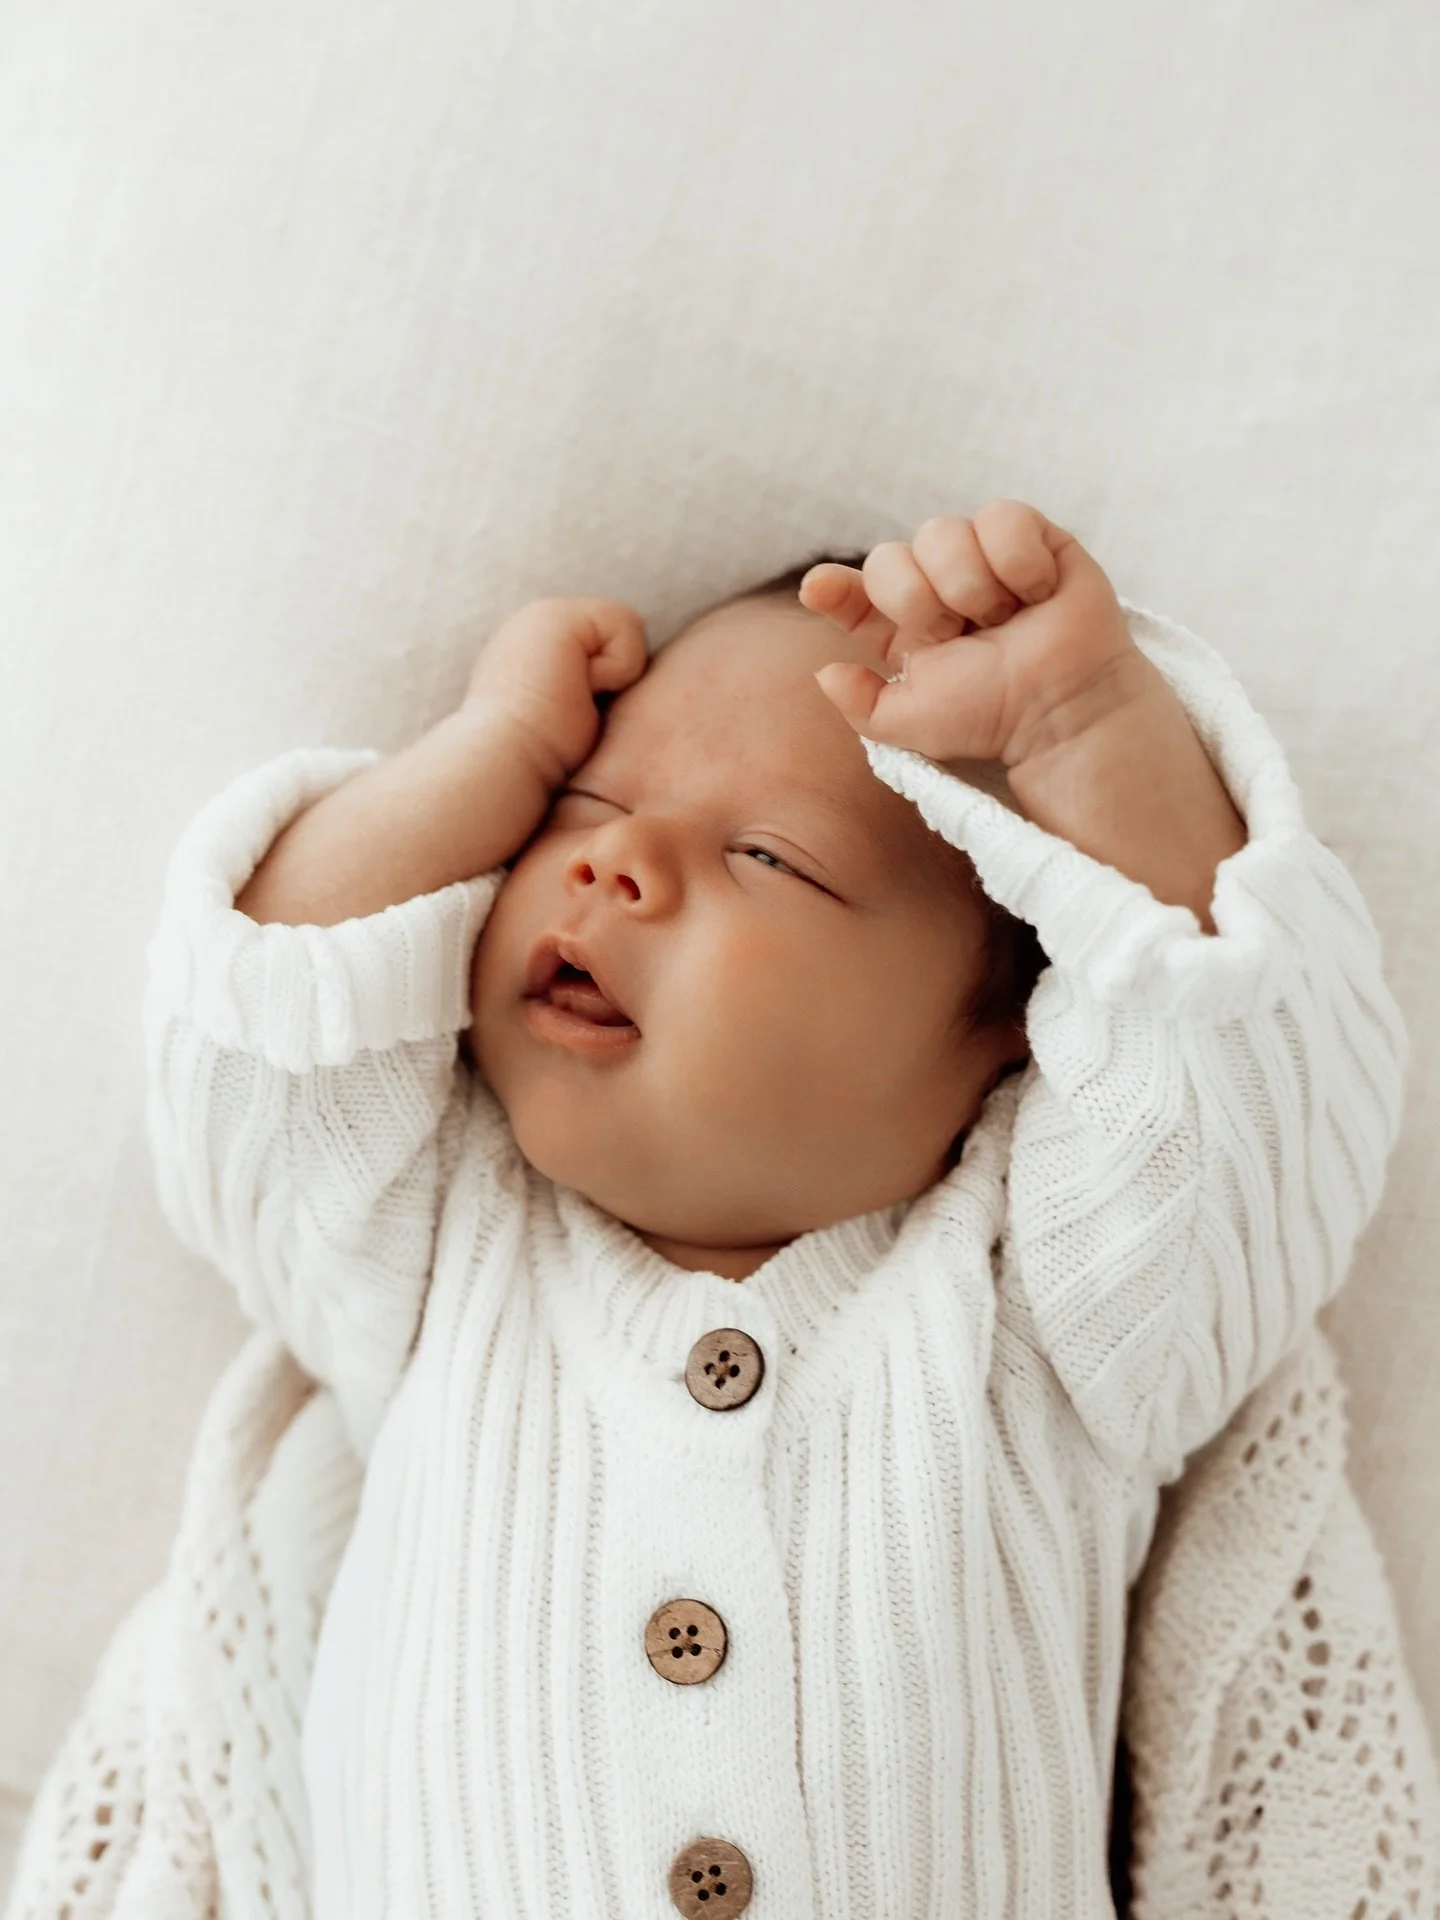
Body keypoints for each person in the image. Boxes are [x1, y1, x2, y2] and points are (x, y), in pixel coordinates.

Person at [140, 500, 1404, 1916]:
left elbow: (1242, 1094)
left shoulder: (1045, 1316)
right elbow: (259, 1039)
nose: (616, 861)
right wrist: (494, 748)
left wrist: (1090, 724)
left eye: (770, 857)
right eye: (586, 807)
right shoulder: (431, 1244)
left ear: (1016, 1029)